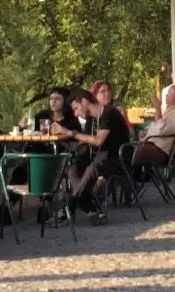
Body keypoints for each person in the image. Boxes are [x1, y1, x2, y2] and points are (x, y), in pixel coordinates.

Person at [53, 90, 132, 221]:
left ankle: (68, 208)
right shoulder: (91, 119)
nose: (75, 113)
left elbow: (98, 140)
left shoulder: (109, 113)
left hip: (119, 158)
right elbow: (87, 139)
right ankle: (90, 208)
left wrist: (71, 133)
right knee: (72, 167)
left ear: (85, 102)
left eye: (76, 108)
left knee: (92, 169)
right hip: (100, 156)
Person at [134, 84, 175, 167]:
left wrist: (157, 109)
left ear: (174, 97)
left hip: (161, 152)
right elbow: (159, 127)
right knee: (128, 148)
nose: (166, 97)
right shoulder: (173, 112)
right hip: (155, 148)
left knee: (131, 150)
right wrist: (146, 131)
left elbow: (160, 130)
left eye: (168, 95)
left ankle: (130, 178)